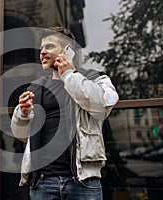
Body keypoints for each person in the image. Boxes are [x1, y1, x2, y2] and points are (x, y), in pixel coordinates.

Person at [11, 27, 119, 200]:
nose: (43, 52)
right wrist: (22, 114)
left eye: (49, 47)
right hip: (43, 182)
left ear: (67, 49)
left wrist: (69, 74)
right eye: (41, 48)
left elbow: (101, 105)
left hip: (83, 182)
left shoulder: (95, 78)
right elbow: (22, 135)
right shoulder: (36, 88)